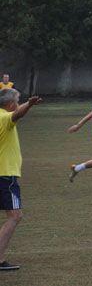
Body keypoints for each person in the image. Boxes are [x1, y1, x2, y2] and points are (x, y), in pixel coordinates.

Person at [0, 88, 42, 271]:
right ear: (10, 104)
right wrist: (30, 104)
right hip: (5, 176)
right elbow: (17, 114)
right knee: (15, 216)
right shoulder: (4, 118)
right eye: (18, 100)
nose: (19, 103)